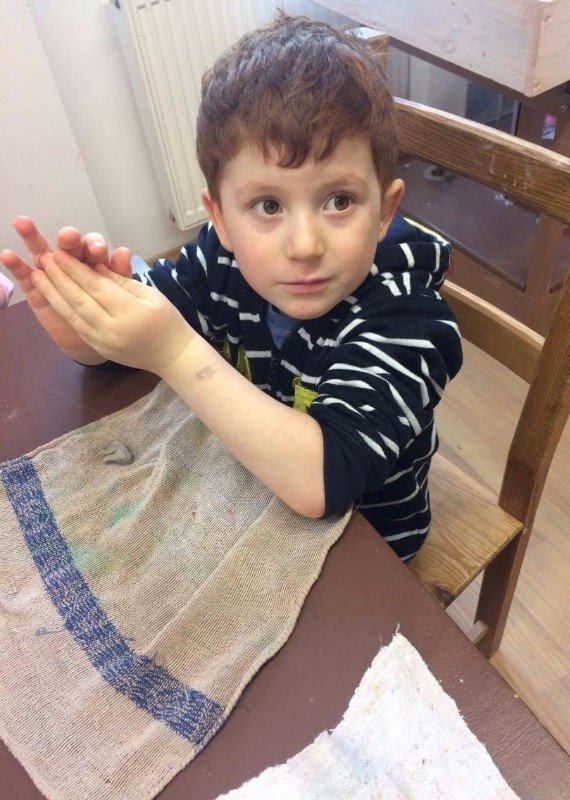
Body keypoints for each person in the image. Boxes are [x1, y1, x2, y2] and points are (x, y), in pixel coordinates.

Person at [1, 13, 462, 561]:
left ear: (384, 210)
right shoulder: (222, 261)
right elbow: (130, 344)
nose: (305, 245)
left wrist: (174, 351)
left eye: (339, 201)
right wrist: (86, 329)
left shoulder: (411, 322)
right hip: (257, 496)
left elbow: (323, 481)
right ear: (219, 217)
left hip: (368, 549)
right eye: (268, 206)